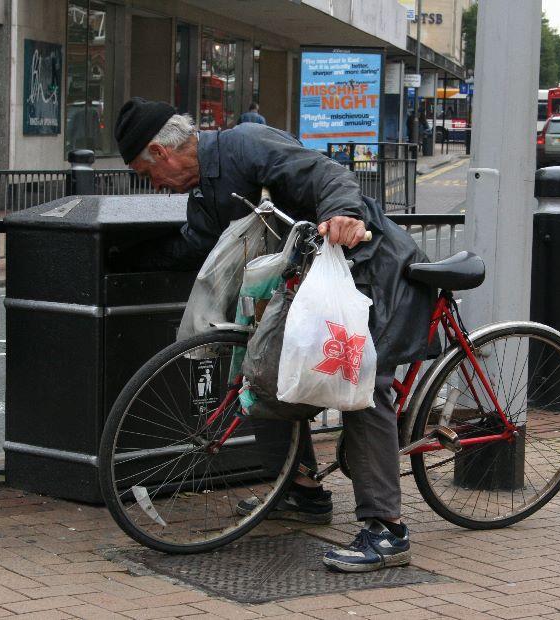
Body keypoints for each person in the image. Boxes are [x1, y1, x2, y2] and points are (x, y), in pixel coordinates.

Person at [113, 97, 436, 572]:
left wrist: (344, 213)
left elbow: (326, 174)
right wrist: (120, 257)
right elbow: (195, 245)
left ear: (161, 153)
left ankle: (387, 529)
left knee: (362, 388)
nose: (155, 186)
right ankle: (302, 490)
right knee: (262, 370)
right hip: (307, 287)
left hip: (365, 273)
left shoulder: (246, 145)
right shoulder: (205, 191)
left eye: (147, 173)